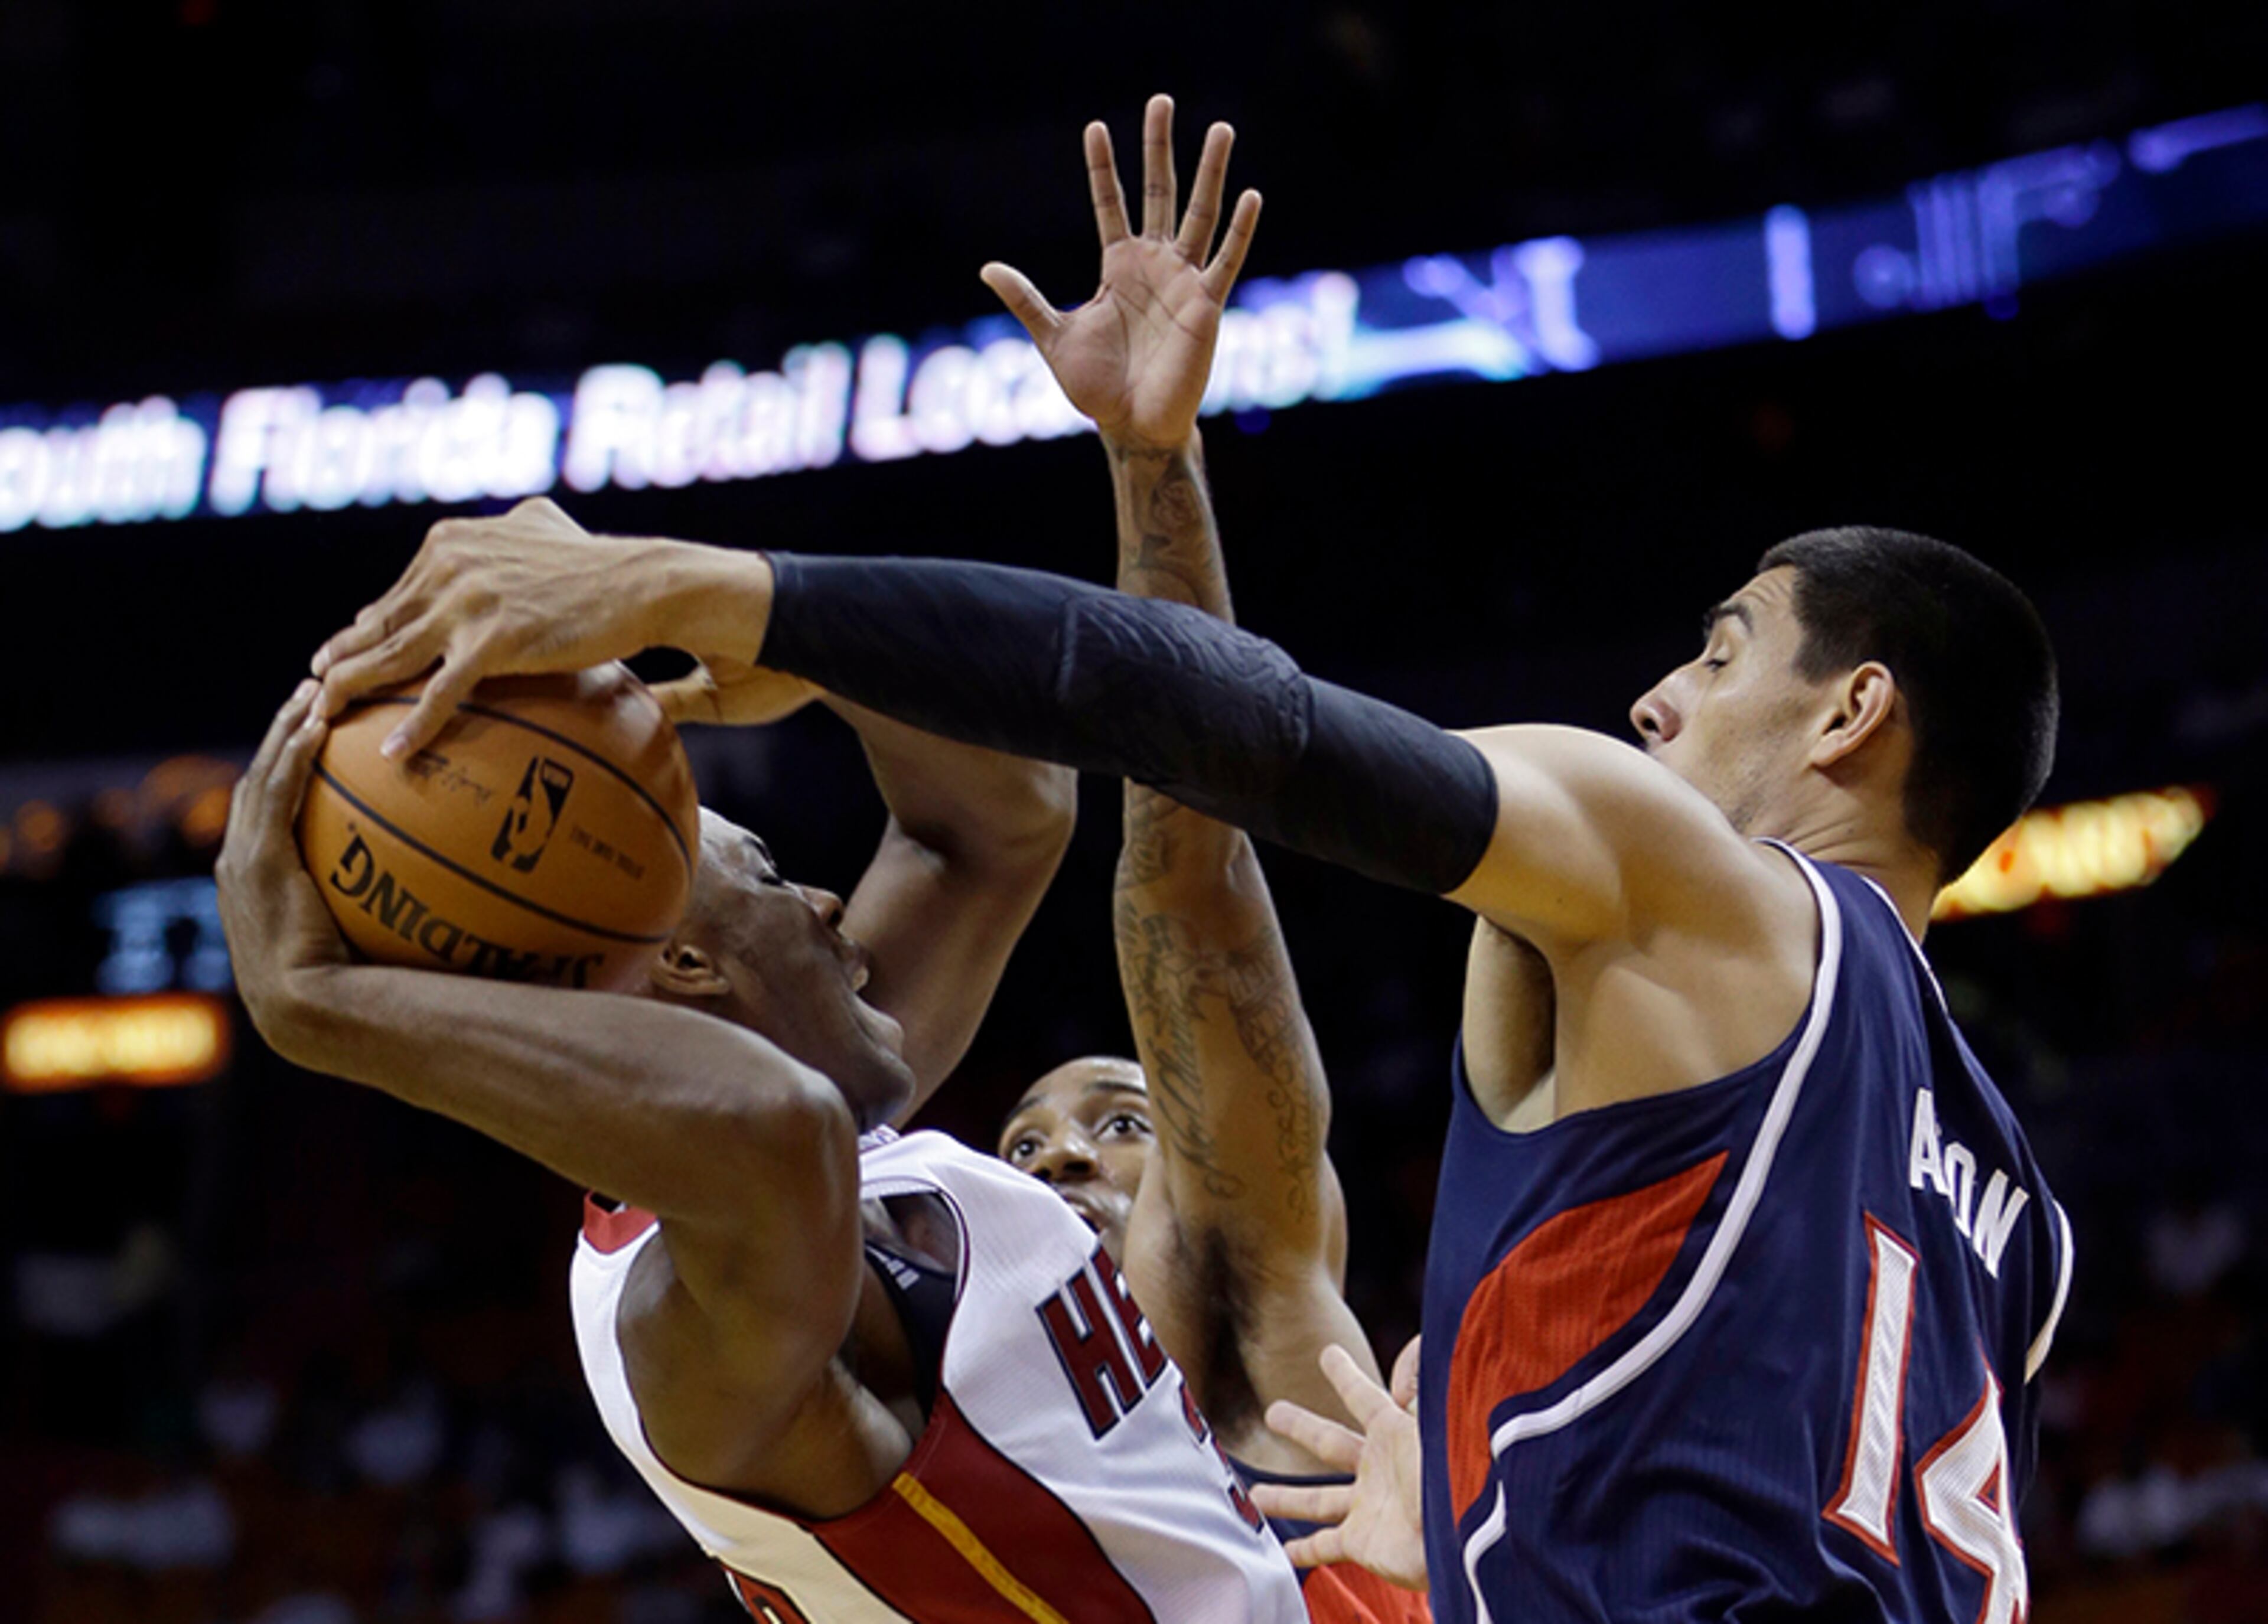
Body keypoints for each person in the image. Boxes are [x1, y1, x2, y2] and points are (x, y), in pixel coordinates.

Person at [311, 118, 2075, 1624]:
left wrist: (713, 590)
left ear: (1853, 712)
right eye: (1041, 1137)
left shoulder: (1656, 886)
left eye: (1721, 644)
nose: (1656, 691)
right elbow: (1175, 864)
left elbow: (1221, 774)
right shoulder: (2017, 1223)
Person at [218, 674, 1307, 1621]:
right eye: (774, 876)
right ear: (690, 966)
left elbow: (1001, 814)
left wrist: (772, 626)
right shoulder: (678, 1313)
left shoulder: (831, 1136)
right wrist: (322, 1007)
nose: (829, 902)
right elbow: (770, 1133)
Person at [983, 95, 1435, 1621]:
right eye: (1027, 1154)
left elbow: (1187, 884)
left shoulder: (1251, 1332)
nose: (1058, 1163)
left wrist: (1149, 461)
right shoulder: (962, 1487)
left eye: (1118, 1120)